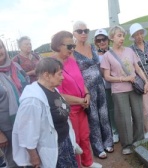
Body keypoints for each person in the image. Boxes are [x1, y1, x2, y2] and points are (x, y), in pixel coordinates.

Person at [12, 57, 79, 167]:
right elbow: (27, 132)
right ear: (46, 75)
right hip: (52, 149)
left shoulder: (53, 89)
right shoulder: (32, 100)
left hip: (63, 143)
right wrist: (34, 157)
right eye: (59, 74)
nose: (62, 78)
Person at [51, 31, 101, 168]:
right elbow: (58, 94)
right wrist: (80, 101)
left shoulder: (71, 61)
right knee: (75, 140)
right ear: (58, 45)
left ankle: (88, 162)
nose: (72, 49)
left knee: (85, 136)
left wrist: (87, 95)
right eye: (69, 46)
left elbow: (80, 81)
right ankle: (77, 165)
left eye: (73, 46)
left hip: (81, 107)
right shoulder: (52, 66)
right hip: (69, 110)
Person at [101, 25, 148, 155]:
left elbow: (138, 69)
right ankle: (126, 144)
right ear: (112, 38)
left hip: (135, 88)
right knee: (124, 118)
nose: (122, 38)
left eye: (123, 35)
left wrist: (145, 82)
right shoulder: (107, 56)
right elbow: (106, 76)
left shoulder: (130, 51)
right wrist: (124, 78)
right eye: (119, 36)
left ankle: (139, 140)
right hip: (119, 91)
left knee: (138, 114)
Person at [73, 21, 114, 159]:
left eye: (86, 30)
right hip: (87, 89)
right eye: (80, 31)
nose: (83, 33)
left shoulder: (92, 47)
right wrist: (83, 92)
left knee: (104, 114)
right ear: (74, 33)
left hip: (100, 85)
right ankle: (98, 147)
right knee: (93, 118)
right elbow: (75, 74)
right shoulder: (72, 52)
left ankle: (108, 142)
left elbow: (99, 66)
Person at [0, 39, 29, 168]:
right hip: (7, 129)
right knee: (13, 162)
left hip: (26, 120)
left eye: (0, 47)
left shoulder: (15, 66)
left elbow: (28, 87)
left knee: (30, 157)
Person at [94, 28, 119, 143]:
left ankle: (120, 128)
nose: (102, 42)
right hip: (103, 87)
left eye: (103, 39)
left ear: (108, 40)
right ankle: (113, 130)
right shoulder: (94, 55)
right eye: (99, 40)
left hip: (116, 84)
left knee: (118, 108)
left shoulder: (114, 51)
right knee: (108, 109)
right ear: (96, 42)